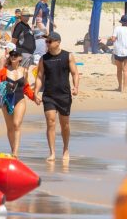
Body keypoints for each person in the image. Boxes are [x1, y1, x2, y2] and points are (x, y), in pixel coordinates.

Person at [34, 32, 80, 162]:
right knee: (51, 121)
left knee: (64, 124)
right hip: (49, 95)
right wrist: (36, 92)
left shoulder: (68, 56)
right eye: (46, 42)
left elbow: (75, 73)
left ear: (58, 42)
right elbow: (39, 76)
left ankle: (65, 149)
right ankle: (52, 152)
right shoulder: (44, 58)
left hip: (64, 94)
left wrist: (76, 87)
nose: (47, 43)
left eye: (50, 41)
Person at [0, 50, 34, 157]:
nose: (13, 57)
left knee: (16, 124)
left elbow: (26, 87)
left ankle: (15, 152)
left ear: (20, 58)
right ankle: (13, 150)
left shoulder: (24, 71)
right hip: (7, 100)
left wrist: (34, 97)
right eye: (11, 55)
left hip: (19, 99)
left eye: (15, 55)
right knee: (10, 127)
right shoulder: (4, 71)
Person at [111, 15, 127, 93]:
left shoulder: (117, 29)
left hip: (118, 51)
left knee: (119, 70)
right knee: (126, 70)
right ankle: (125, 88)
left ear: (121, 22)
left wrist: (112, 38)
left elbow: (113, 39)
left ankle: (120, 86)